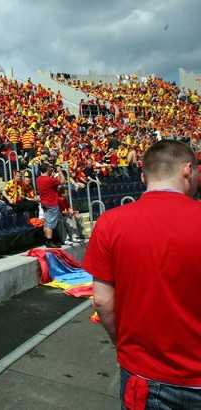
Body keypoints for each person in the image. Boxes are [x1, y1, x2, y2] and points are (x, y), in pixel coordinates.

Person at [83, 140, 201, 409]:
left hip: (144, 375)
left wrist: (122, 346)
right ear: (188, 171)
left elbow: (101, 301)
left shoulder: (110, 222)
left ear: (143, 177)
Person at [36, 163, 65, 248]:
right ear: (47, 169)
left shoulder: (39, 179)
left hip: (44, 203)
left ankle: (47, 240)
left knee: (47, 222)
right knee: (50, 224)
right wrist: (60, 171)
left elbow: (48, 183)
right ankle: (49, 241)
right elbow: (63, 181)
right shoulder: (49, 180)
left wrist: (51, 176)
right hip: (51, 203)